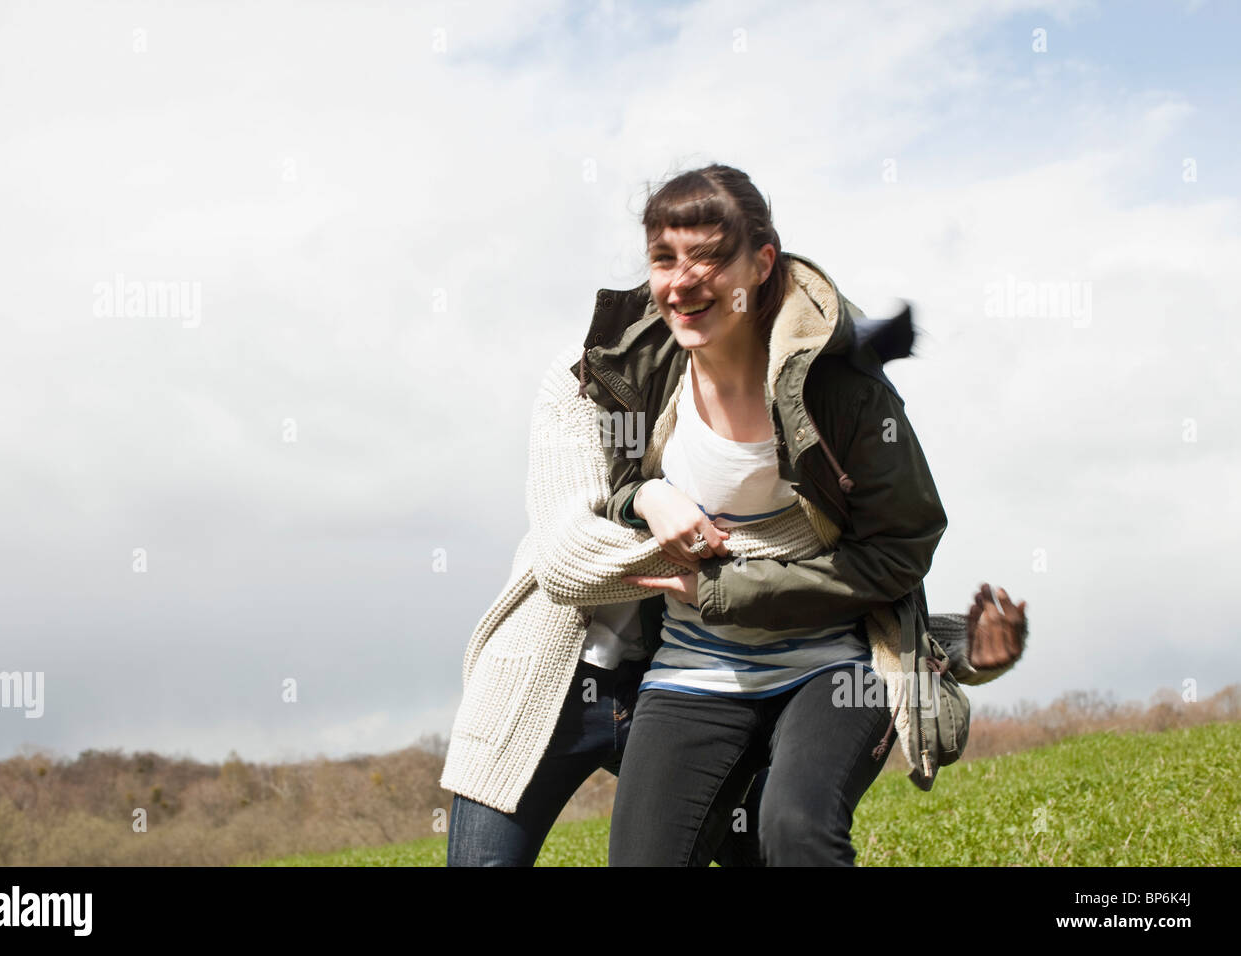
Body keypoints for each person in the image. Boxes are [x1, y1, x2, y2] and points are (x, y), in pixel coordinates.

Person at [439, 291, 1026, 864]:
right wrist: (658, 504)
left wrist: (954, 645)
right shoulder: (586, 378)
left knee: (780, 841)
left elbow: (848, 584)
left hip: (693, 682)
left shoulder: (771, 401)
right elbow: (569, 560)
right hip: (553, 686)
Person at [573, 163, 1024, 866]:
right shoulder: (641, 369)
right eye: (664, 258)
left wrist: (729, 590)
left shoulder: (840, 388)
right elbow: (621, 486)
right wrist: (648, 496)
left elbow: (901, 548)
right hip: (694, 669)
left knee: (796, 829)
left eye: (709, 257)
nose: (682, 281)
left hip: (834, 665)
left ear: (762, 261)